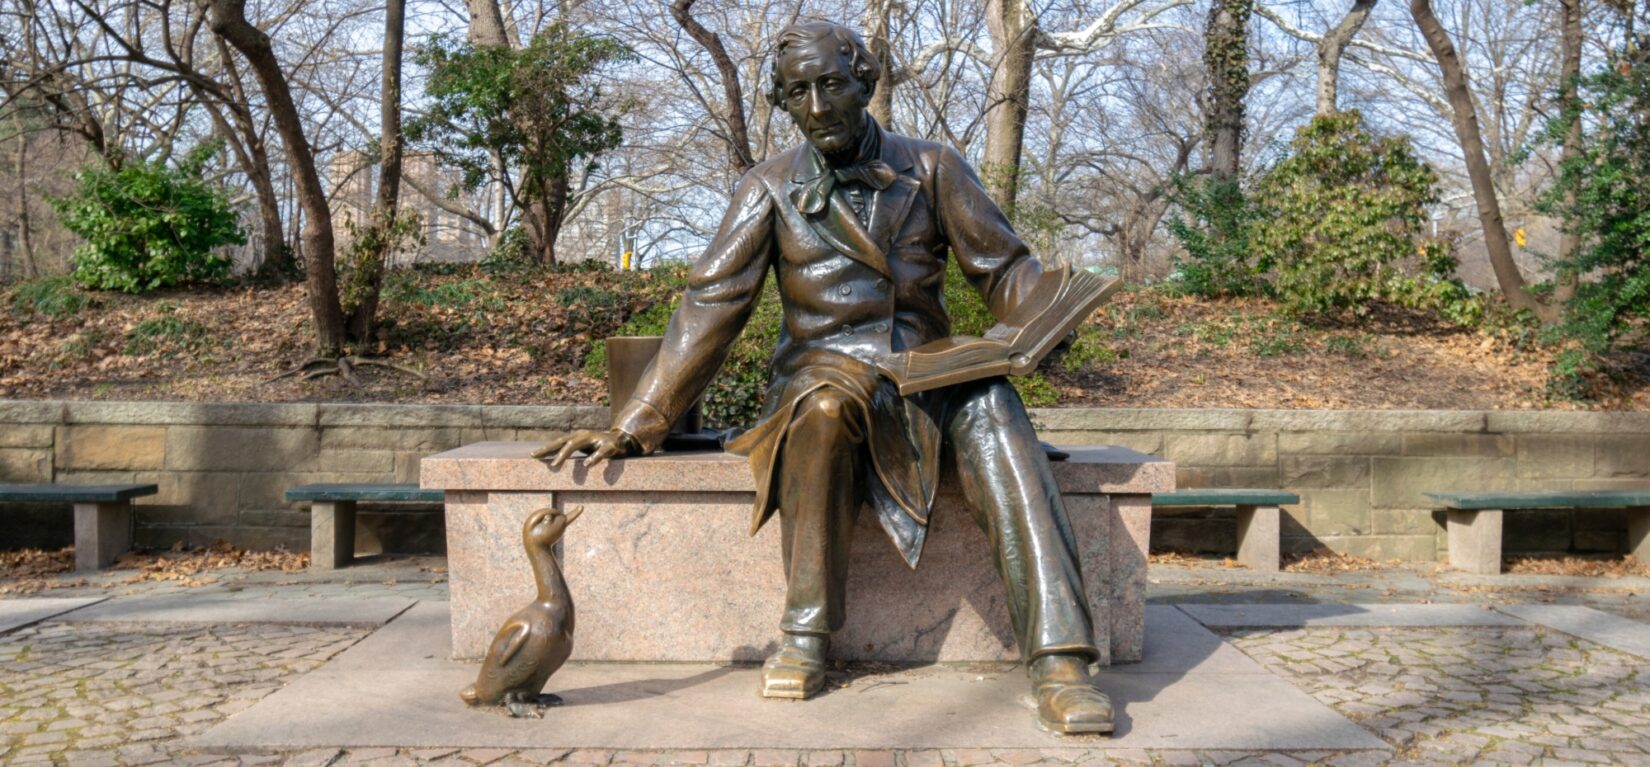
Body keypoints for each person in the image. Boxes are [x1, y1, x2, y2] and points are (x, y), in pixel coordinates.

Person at [537, 20, 1112, 734]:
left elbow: (1005, 271)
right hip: (822, 372)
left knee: (994, 403)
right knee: (822, 408)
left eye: (831, 84)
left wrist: (1045, 316)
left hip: (924, 375)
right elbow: (711, 305)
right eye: (798, 92)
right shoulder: (768, 187)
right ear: (784, 100)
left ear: (864, 81)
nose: (817, 105)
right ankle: (806, 633)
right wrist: (635, 423)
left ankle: (1060, 659)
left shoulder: (933, 167)